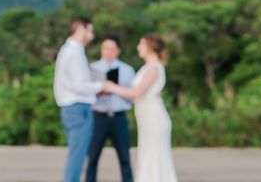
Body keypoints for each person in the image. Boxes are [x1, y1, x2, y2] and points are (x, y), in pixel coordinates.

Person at [104, 33, 178, 182]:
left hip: (154, 117)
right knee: (148, 154)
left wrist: (112, 87)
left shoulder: (153, 68)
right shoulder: (148, 67)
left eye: (141, 44)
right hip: (146, 117)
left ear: (150, 47)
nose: (138, 47)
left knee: (154, 155)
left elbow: (137, 92)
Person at [54, 17, 103, 182]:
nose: (92, 35)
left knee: (77, 154)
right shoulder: (73, 52)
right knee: (77, 156)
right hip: (77, 108)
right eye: (91, 30)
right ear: (81, 28)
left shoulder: (72, 50)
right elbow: (79, 86)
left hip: (74, 107)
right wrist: (102, 86)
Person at [86, 35, 135, 182]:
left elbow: (132, 96)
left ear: (118, 50)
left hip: (119, 117)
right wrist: (100, 89)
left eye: (112, 49)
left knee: (125, 157)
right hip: (98, 116)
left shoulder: (127, 70)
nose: (108, 52)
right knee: (93, 156)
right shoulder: (92, 68)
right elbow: (85, 93)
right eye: (105, 49)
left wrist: (115, 88)